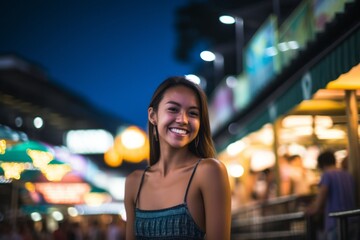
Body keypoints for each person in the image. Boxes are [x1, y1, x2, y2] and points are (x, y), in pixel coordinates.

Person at [124, 76, 231, 240]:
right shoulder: (134, 182)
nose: (183, 120)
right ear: (153, 116)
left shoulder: (209, 171)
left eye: (193, 113)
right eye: (173, 109)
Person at [306, 150, 359, 240]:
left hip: (335, 223)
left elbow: (320, 201)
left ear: (321, 164)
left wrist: (309, 210)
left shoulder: (327, 175)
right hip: (354, 220)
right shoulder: (348, 175)